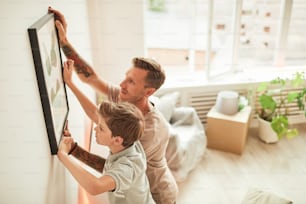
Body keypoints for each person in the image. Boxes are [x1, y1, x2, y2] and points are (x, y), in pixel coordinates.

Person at [49, 7, 178, 204]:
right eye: (126, 77)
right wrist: (64, 43)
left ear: (148, 92)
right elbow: (92, 79)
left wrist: (72, 151)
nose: (121, 85)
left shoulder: (150, 130)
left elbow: (110, 168)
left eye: (131, 82)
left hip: (158, 195)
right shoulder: (125, 98)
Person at [57, 90, 155, 204]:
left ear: (117, 140)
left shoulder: (128, 167)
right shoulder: (129, 141)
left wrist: (63, 155)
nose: (95, 129)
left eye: (101, 128)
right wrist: (74, 149)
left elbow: (95, 187)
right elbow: (109, 167)